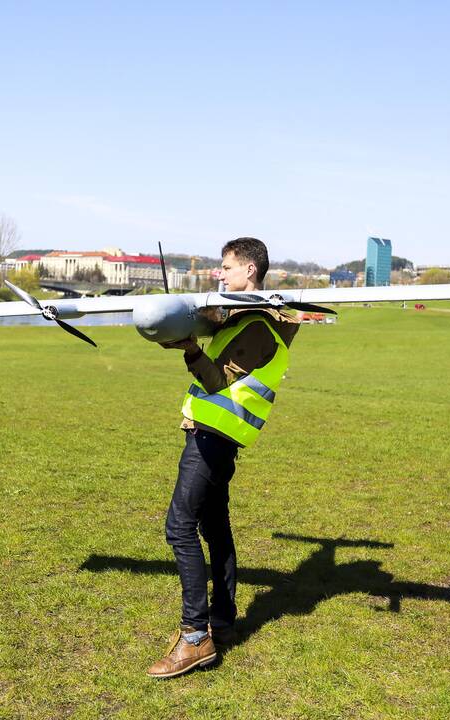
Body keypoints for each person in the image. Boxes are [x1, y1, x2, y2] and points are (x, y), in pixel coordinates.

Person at [146, 237, 299, 679]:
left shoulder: (259, 328)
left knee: (179, 527)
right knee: (214, 526)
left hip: (214, 439)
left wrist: (190, 348)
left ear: (250, 270)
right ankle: (223, 619)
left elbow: (214, 383)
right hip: (212, 435)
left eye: (227, 267)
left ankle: (195, 638)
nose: (220, 273)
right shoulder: (240, 320)